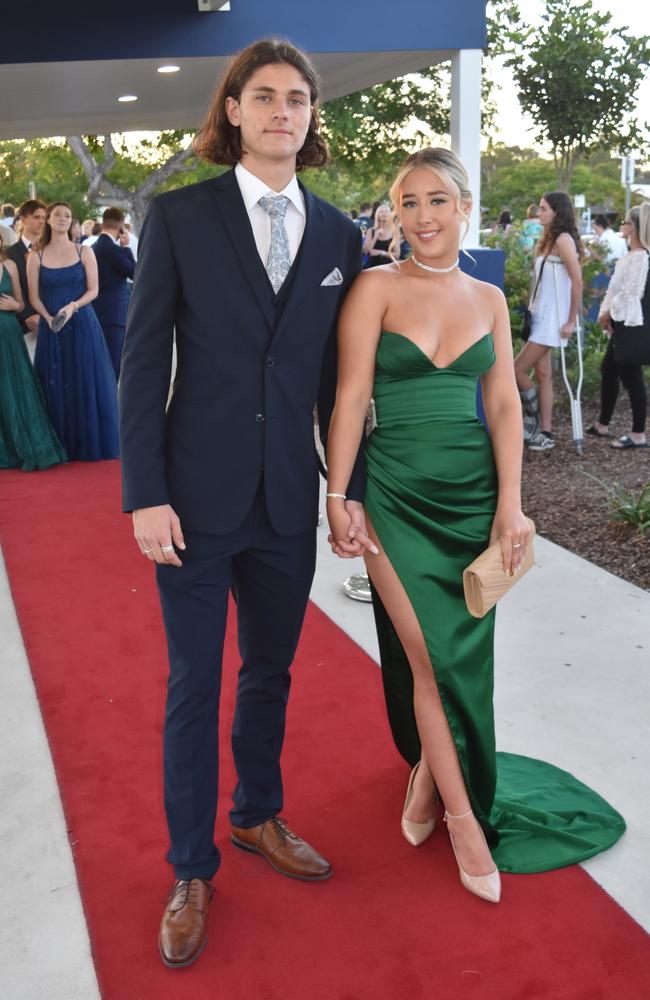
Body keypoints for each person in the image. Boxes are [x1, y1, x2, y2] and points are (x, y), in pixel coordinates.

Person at [118, 37, 364, 969]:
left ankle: (258, 813)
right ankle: (191, 867)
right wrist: (144, 493)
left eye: (298, 98)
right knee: (195, 682)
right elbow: (142, 366)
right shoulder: (179, 218)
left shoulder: (341, 235)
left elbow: (344, 381)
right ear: (232, 110)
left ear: (311, 115)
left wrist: (346, 492)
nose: (282, 112)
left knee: (271, 672)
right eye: (263, 97)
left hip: (286, 498)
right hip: (190, 495)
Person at [325, 146, 625, 905]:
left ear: (463, 208)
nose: (422, 216)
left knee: (464, 657)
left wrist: (512, 500)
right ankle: (464, 819)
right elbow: (351, 398)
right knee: (427, 660)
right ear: (396, 212)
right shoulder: (373, 288)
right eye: (408, 201)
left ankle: (431, 775)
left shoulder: (488, 296)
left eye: (436, 201)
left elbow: (502, 405)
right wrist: (338, 494)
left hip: (473, 498)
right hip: (394, 495)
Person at [27, 201, 119, 461]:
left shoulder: (84, 252)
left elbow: (94, 291)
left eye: (67, 215)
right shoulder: (37, 256)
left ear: (71, 221)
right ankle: (60, 445)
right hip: (52, 328)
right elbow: (33, 296)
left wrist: (72, 307)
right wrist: (49, 319)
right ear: (49, 220)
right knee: (54, 384)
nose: (62, 219)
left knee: (84, 381)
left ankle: (87, 443)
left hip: (82, 324)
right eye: (57, 215)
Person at [514, 192, 583, 451]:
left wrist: (570, 320)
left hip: (553, 319)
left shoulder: (563, 240)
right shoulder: (549, 239)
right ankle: (545, 432)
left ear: (557, 212)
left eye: (544, 209)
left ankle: (531, 422)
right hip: (541, 314)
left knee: (515, 369)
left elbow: (577, 281)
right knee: (543, 374)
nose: (539, 212)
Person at [0, 234, 67, 470]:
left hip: (8, 335)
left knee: (15, 386)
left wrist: (14, 306)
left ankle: (24, 446)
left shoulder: (9, 265)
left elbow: (21, 302)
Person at [589, 203, 650, 449]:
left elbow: (630, 293)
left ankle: (638, 434)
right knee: (609, 369)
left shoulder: (640, 257)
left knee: (630, 375)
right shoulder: (631, 256)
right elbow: (616, 290)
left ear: (634, 227)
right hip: (622, 322)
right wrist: (607, 314)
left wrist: (609, 316)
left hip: (629, 323)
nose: (622, 226)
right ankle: (603, 424)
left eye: (625, 222)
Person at [92, 206, 136, 378]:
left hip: (100, 311)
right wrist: (126, 248)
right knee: (113, 366)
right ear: (121, 227)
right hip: (112, 316)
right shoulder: (112, 249)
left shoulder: (96, 246)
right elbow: (134, 271)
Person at [6, 199, 47, 360]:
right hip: (23, 326)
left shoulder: (51, 250)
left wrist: (43, 317)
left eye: (44, 218)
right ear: (23, 219)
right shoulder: (10, 254)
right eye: (37, 217)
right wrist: (30, 317)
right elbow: (12, 289)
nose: (41, 221)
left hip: (51, 321)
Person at [362, 202, 398, 267]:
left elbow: (397, 254)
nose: (384, 214)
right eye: (381, 212)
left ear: (390, 214)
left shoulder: (394, 231)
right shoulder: (371, 230)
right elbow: (365, 250)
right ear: (377, 215)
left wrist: (381, 252)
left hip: (389, 268)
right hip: (371, 268)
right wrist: (376, 235)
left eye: (386, 212)